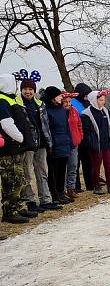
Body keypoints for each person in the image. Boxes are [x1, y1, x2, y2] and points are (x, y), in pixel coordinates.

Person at [16, 77, 61, 212]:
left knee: (42, 172)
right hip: (27, 145)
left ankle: (45, 200)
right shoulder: (17, 104)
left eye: (30, 89)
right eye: (25, 89)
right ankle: (30, 200)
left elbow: (45, 124)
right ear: (21, 90)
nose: (28, 92)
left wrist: (49, 142)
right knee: (27, 174)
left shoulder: (40, 104)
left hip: (41, 143)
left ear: (34, 91)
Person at [0, 73, 37, 223]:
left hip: (17, 149)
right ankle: (9, 211)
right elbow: (7, 124)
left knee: (19, 180)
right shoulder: (2, 101)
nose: (16, 86)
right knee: (11, 181)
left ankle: (19, 207)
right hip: (8, 150)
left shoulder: (10, 99)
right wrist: (21, 137)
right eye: (14, 83)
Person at [81, 90, 110, 195]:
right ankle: (96, 186)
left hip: (107, 143)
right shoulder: (86, 114)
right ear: (94, 100)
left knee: (109, 165)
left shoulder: (105, 110)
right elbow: (86, 131)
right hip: (96, 145)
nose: (103, 102)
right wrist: (91, 143)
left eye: (103, 100)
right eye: (101, 100)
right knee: (96, 166)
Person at [43, 86, 74, 205]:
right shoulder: (46, 110)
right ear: (52, 97)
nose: (61, 97)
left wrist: (69, 141)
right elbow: (47, 129)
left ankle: (61, 193)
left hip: (64, 143)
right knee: (53, 172)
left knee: (62, 170)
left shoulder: (63, 110)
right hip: (54, 145)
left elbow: (67, 127)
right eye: (59, 95)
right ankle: (55, 194)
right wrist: (50, 145)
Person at [71, 83, 93, 190]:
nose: (86, 96)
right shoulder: (73, 103)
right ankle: (76, 186)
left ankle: (90, 184)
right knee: (76, 164)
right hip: (77, 137)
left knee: (88, 162)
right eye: (85, 94)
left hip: (87, 137)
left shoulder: (87, 103)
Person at [63, 92, 83, 200]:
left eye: (69, 102)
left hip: (74, 142)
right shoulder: (60, 112)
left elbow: (79, 124)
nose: (68, 104)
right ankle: (63, 189)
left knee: (73, 166)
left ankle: (71, 188)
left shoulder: (74, 111)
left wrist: (79, 137)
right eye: (65, 102)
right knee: (64, 167)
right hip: (63, 143)